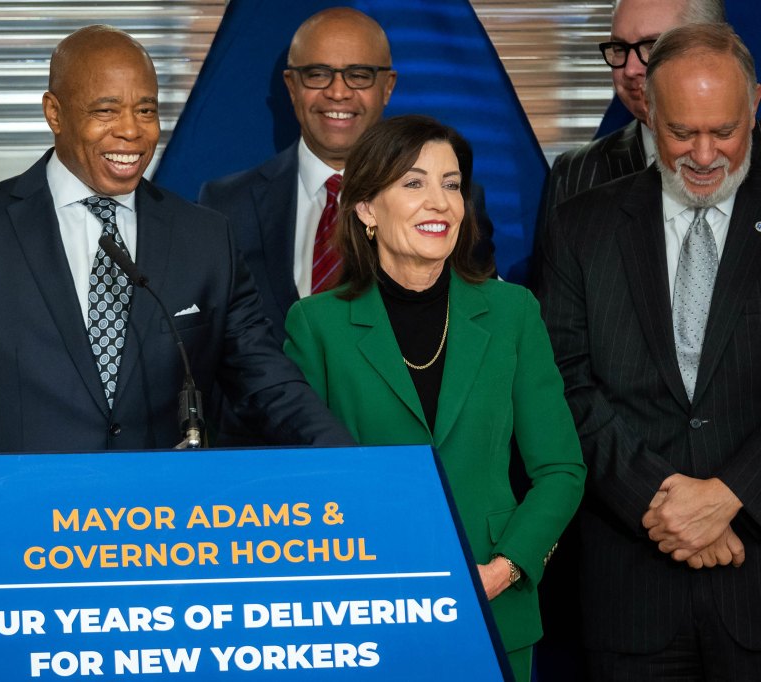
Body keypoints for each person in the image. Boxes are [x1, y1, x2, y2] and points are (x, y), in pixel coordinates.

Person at [0, 25, 354, 580]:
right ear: (55, 112)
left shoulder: (205, 237)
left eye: (147, 110)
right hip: (15, 540)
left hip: (167, 544)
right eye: (106, 110)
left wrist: (351, 468)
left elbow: (268, 380)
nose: (131, 131)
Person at [283, 114, 586, 681]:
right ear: (367, 208)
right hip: (365, 617)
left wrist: (505, 568)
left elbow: (561, 469)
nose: (440, 203)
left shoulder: (513, 312)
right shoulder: (315, 325)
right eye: (414, 183)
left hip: (496, 606)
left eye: (451, 184)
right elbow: (307, 484)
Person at [539, 22, 761, 679]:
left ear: (755, 105)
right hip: (630, 589)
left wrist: (730, 494)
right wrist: (665, 501)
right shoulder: (582, 224)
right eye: (680, 132)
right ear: (648, 111)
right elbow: (565, 388)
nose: (702, 153)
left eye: (723, 131)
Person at [199, 7, 496, 346]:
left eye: (359, 75)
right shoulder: (226, 205)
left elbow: (476, 329)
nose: (338, 92)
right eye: (317, 74)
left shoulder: (452, 205)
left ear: (387, 86)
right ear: (292, 86)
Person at [531, 0, 726, 291]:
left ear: (712, 49)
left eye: (652, 46)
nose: (631, 68)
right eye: (620, 48)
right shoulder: (576, 174)